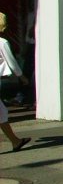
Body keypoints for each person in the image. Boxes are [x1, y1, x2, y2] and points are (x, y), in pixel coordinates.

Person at [0, 12, 30, 152]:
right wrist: (21, 76)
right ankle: (15, 141)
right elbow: (11, 62)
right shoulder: (2, 42)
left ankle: (15, 141)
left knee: (1, 112)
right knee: (1, 112)